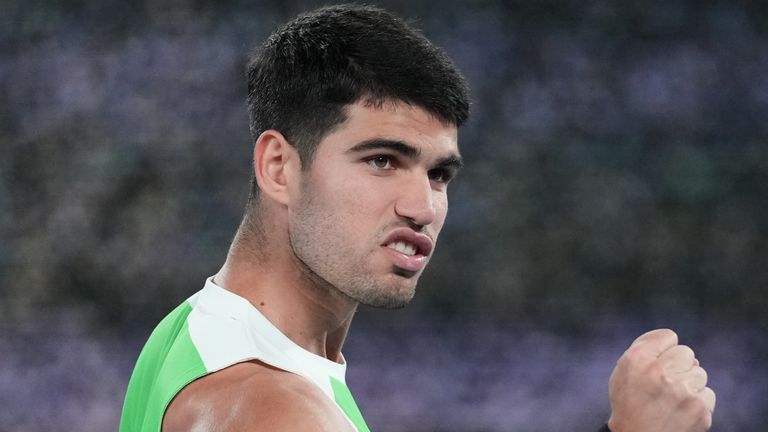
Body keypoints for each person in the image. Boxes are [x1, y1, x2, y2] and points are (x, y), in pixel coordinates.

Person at [119, 4, 716, 432]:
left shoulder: (196, 328)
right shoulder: (272, 408)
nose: (422, 206)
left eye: (439, 174)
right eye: (382, 160)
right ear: (279, 166)